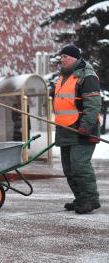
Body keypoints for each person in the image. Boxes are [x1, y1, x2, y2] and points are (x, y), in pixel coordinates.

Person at [53, 44, 102, 214]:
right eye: (61, 57)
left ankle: (90, 200)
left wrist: (86, 127)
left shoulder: (87, 76)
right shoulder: (64, 76)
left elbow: (94, 104)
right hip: (65, 129)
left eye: (66, 57)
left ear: (75, 57)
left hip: (82, 130)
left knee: (80, 165)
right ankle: (81, 198)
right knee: (69, 168)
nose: (62, 60)